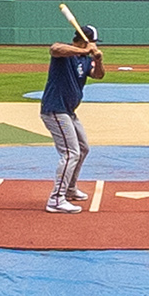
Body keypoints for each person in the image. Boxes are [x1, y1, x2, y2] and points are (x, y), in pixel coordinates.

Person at [40, 24, 104, 213]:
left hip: (69, 111)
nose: (94, 45)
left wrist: (98, 59)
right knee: (70, 153)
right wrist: (83, 49)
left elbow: (98, 75)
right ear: (84, 40)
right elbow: (55, 49)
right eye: (92, 41)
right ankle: (56, 200)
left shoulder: (85, 60)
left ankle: (69, 189)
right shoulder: (64, 53)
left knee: (83, 148)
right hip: (55, 109)